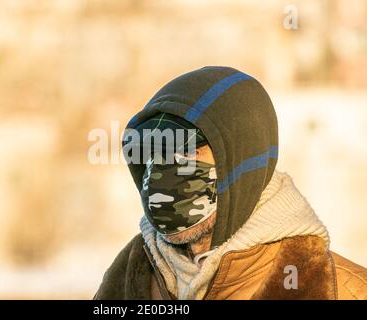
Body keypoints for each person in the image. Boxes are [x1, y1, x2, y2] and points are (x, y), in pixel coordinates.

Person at [94, 66, 367, 300]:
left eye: (186, 153)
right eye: (152, 154)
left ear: (240, 161)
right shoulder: (125, 283)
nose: (163, 172)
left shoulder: (338, 289)